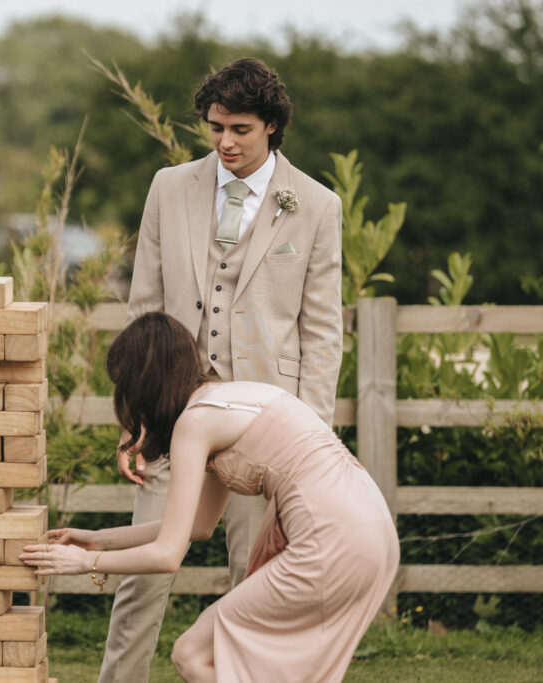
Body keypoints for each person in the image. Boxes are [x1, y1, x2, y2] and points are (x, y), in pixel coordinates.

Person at [101, 57, 344, 682]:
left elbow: (321, 332)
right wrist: (134, 419)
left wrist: (305, 440)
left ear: (271, 126)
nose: (225, 142)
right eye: (215, 128)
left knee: (253, 578)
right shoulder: (167, 186)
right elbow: (145, 311)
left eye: (239, 129)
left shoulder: (316, 206)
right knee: (143, 578)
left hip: (264, 427)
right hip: (171, 413)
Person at [19, 312, 399, 682]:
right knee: (230, 658)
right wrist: (99, 539)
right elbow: (198, 526)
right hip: (374, 531)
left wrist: (87, 562)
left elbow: (167, 556)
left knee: (192, 653)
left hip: (331, 537)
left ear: (143, 386)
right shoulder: (222, 401)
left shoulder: (194, 423)